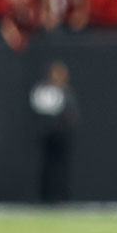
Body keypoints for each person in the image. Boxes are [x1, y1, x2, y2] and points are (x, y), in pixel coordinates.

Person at [30, 62, 79, 203]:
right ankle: (45, 197)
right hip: (46, 136)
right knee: (46, 167)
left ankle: (61, 197)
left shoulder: (66, 91)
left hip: (62, 136)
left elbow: (73, 114)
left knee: (61, 168)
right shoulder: (43, 91)